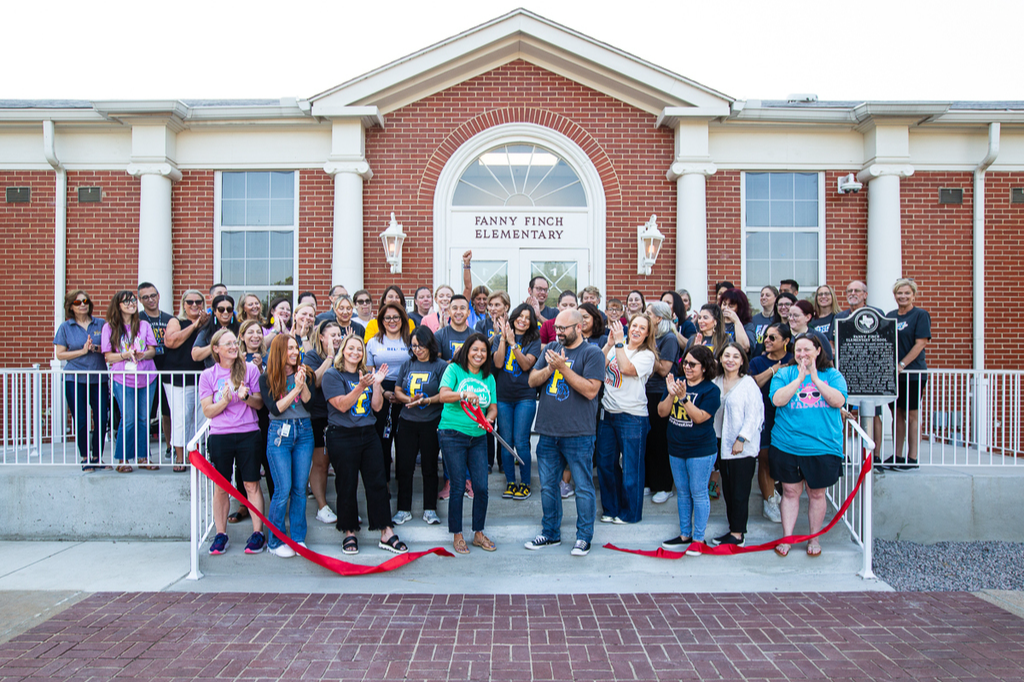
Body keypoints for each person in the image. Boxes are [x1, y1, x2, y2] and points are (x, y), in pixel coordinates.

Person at [526, 309, 605, 557]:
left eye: (563, 328)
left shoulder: (591, 353)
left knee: (582, 487)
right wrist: (550, 369)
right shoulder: (550, 346)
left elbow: (591, 390)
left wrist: (563, 368)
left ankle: (583, 537)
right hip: (548, 431)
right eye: (556, 328)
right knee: (548, 486)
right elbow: (532, 380)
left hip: (578, 433)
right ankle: (550, 533)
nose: (558, 332)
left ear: (578, 327)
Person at [322, 335, 407, 555]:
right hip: (342, 435)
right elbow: (341, 405)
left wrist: (376, 385)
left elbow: (377, 408)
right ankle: (349, 531)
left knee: (377, 482)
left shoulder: (368, 376)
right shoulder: (333, 375)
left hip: (368, 434)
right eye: (351, 348)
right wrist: (360, 386)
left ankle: (386, 531)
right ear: (343, 350)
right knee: (347, 484)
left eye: (359, 349)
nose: (355, 352)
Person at [769, 333, 848, 557]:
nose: (802, 354)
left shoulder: (832, 375)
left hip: (822, 446)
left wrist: (814, 379)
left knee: (817, 494)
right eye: (798, 350)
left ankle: (814, 538)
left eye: (807, 350)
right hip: (787, 444)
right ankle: (787, 538)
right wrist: (799, 378)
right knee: (790, 492)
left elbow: (838, 401)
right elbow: (777, 400)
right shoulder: (785, 373)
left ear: (818, 351)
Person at [198, 328, 266, 555]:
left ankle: (257, 533)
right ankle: (221, 534)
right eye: (228, 344)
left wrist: (245, 396)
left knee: (251, 484)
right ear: (216, 349)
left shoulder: (250, 370)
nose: (233, 347)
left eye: (235, 344)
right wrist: (226, 400)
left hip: (248, 433)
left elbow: (259, 404)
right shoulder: (208, 375)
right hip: (220, 435)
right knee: (221, 486)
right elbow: (208, 410)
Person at [436, 333, 498, 554]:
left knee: (481, 486)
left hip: (478, 437)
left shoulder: (488, 377)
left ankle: (478, 533)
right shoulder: (454, 370)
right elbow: (443, 396)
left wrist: (489, 418)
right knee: (459, 486)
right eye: (475, 350)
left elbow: (492, 406)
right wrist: (463, 393)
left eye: (483, 351)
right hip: (452, 433)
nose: (479, 354)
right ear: (467, 351)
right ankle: (458, 534)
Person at [658, 346, 720, 555]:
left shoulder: (711, 390)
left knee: (699, 492)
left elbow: (700, 417)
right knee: (683, 492)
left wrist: (683, 398)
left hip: (701, 450)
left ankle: (699, 538)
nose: (687, 367)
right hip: (676, 448)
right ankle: (685, 534)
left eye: (693, 364)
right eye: (685, 363)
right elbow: (662, 412)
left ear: (704, 367)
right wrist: (670, 394)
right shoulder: (676, 384)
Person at [596, 315, 656, 524]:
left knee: (632, 468)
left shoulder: (647, 355)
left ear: (648, 333)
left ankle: (630, 513)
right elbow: (598, 365)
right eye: (634, 326)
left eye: (642, 327)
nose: (637, 330)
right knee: (605, 464)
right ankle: (611, 509)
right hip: (608, 414)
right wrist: (609, 344)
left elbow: (626, 369)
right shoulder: (616, 347)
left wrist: (620, 343)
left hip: (633, 417)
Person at [259, 334, 314, 558]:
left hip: (304, 431)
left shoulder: (304, 372)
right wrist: (294, 389)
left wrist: (303, 384)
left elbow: (310, 401)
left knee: (300, 489)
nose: (294, 352)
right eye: (290, 348)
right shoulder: (267, 378)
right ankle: (275, 540)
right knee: (282, 490)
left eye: (296, 348)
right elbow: (275, 408)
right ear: (280, 350)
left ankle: (298, 538)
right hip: (279, 434)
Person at [393, 326, 448, 526]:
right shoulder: (407, 364)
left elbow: (444, 394)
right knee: (405, 467)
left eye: (421, 345)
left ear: (430, 344)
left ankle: (430, 509)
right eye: (414, 346)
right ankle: (403, 509)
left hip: (431, 422)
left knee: (429, 467)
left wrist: (427, 401)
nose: (417, 350)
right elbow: (397, 390)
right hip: (408, 422)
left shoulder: (440, 366)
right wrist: (409, 399)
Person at [710, 343, 764, 547]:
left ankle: (738, 534)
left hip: (741, 446)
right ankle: (733, 529)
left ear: (742, 360)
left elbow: (755, 415)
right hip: (720, 443)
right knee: (729, 490)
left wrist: (742, 439)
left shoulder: (748, 383)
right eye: (726, 356)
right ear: (721, 359)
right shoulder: (716, 381)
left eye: (735, 356)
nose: (730, 360)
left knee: (740, 490)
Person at [102, 290, 159, 472]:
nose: (131, 304)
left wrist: (143, 355)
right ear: (118, 305)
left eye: (133, 300)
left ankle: (143, 457)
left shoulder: (143, 325)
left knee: (144, 419)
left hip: (147, 376)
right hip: (123, 378)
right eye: (126, 301)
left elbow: (153, 350)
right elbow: (108, 357)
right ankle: (123, 459)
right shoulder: (109, 328)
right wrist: (125, 355)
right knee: (128, 418)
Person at [54, 290, 109, 470]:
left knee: (101, 417)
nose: (83, 304)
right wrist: (82, 351)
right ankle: (85, 457)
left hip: (98, 377)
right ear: (71, 307)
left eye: (85, 301)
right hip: (75, 378)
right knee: (81, 418)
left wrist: (96, 347)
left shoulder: (101, 323)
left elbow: (111, 348)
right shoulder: (65, 327)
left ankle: (97, 457)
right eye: (77, 303)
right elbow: (60, 355)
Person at [492, 304, 541, 500]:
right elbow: (497, 363)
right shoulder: (498, 339)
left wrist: (514, 344)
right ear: (513, 318)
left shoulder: (534, 340)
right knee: (506, 441)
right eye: (520, 316)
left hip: (525, 396)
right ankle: (511, 483)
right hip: (503, 397)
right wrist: (504, 338)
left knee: (521, 441)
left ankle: (525, 483)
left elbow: (526, 364)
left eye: (528, 317)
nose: (523, 320)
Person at [748, 323, 793, 523]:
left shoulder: (793, 361)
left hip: (788, 416)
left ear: (786, 341)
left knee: (784, 458)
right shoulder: (758, 361)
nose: (767, 340)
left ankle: (783, 496)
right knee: (764, 457)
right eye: (766, 337)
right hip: (764, 413)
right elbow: (753, 384)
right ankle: (769, 502)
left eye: (773, 337)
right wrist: (774, 370)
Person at [229, 319, 273, 523]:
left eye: (259, 332)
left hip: (265, 415)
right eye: (250, 332)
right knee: (243, 463)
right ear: (242, 336)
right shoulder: (233, 357)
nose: (255, 336)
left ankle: (275, 504)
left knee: (268, 458)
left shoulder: (269, 355)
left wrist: (261, 369)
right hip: (241, 416)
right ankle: (243, 504)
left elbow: (275, 384)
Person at [836, 281, 884, 459]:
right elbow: (834, 343)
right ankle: (841, 453)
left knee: (874, 414)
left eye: (857, 290)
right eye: (849, 290)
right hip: (845, 370)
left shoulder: (876, 314)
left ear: (865, 294)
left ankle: (875, 455)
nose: (853, 293)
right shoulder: (840, 316)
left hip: (870, 373)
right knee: (841, 413)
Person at [887, 278, 931, 471]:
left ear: (914, 295)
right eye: (899, 293)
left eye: (907, 293)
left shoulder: (920, 315)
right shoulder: (890, 316)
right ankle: (897, 455)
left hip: (912, 373)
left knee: (911, 414)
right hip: (893, 375)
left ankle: (912, 457)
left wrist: (902, 364)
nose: (903, 296)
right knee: (896, 414)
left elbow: (921, 343)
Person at [366, 302, 413, 480]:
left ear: (403, 319)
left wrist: (402, 395)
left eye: (396, 317)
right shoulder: (373, 342)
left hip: (407, 392)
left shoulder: (410, 340)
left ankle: (403, 485)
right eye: (387, 318)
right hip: (380, 391)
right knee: (381, 441)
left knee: (404, 443)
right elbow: (369, 372)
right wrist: (383, 392)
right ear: (381, 320)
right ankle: (383, 483)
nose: (392, 321)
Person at [162, 290, 207, 472]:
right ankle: (180, 458)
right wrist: (195, 325)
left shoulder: (207, 323)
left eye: (198, 301)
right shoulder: (176, 321)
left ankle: (195, 456)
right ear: (183, 304)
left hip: (201, 377)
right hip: (178, 378)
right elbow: (171, 341)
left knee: (199, 420)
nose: (194, 305)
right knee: (181, 418)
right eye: (190, 302)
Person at [301, 320, 340, 526]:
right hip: (318, 416)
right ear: (321, 337)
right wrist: (331, 358)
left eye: (339, 335)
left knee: (340, 462)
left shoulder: (345, 354)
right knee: (321, 463)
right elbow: (314, 381)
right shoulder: (312, 356)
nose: (337, 338)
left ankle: (345, 507)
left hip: (340, 415)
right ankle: (322, 506)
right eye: (332, 335)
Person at [644, 301, 680, 505]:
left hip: (661, 393)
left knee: (660, 440)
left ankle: (664, 485)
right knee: (648, 439)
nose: (645, 316)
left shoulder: (669, 339)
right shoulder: (653, 338)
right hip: (645, 392)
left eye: (649, 313)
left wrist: (647, 351)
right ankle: (650, 481)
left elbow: (665, 369)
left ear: (659, 318)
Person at [138, 282, 172, 460]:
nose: (150, 300)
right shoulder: (137, 320)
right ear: (140, 300)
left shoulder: (169, 319)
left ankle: (170, 445)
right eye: (145, 297)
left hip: (167, 368)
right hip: (145, 370)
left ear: (158, 296)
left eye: (153, 295)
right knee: (145, 413)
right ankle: (143, 452)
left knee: (168, 410)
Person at [192, 295, 239, 367]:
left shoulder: (241, 328)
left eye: (229, 309)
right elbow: (195, 355)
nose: (225, 312)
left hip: (238, 372)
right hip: (214, 374)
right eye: (221, 309)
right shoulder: (207, 330)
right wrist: (216, 342)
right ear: (214, 311)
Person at [435, 295, 475, 361]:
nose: (458, 312)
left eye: (462, 308)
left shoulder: (475, 336)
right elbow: (436, 363)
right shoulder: (439, 335)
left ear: (468, 313)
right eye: (455, 308)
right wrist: (454, 361)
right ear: (449, 312)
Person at [718, 289, 753, 353]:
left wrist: (736, 321)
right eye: (724, 304)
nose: (726, 308)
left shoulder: (747, 325)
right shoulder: (716, 322)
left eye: (731, 306)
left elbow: (744, 347)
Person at [748, 286, 779, 358]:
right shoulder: (753, 319)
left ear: (776, 298)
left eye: (767, 295)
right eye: (762, 295)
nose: (763, 297)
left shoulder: (778, 319)